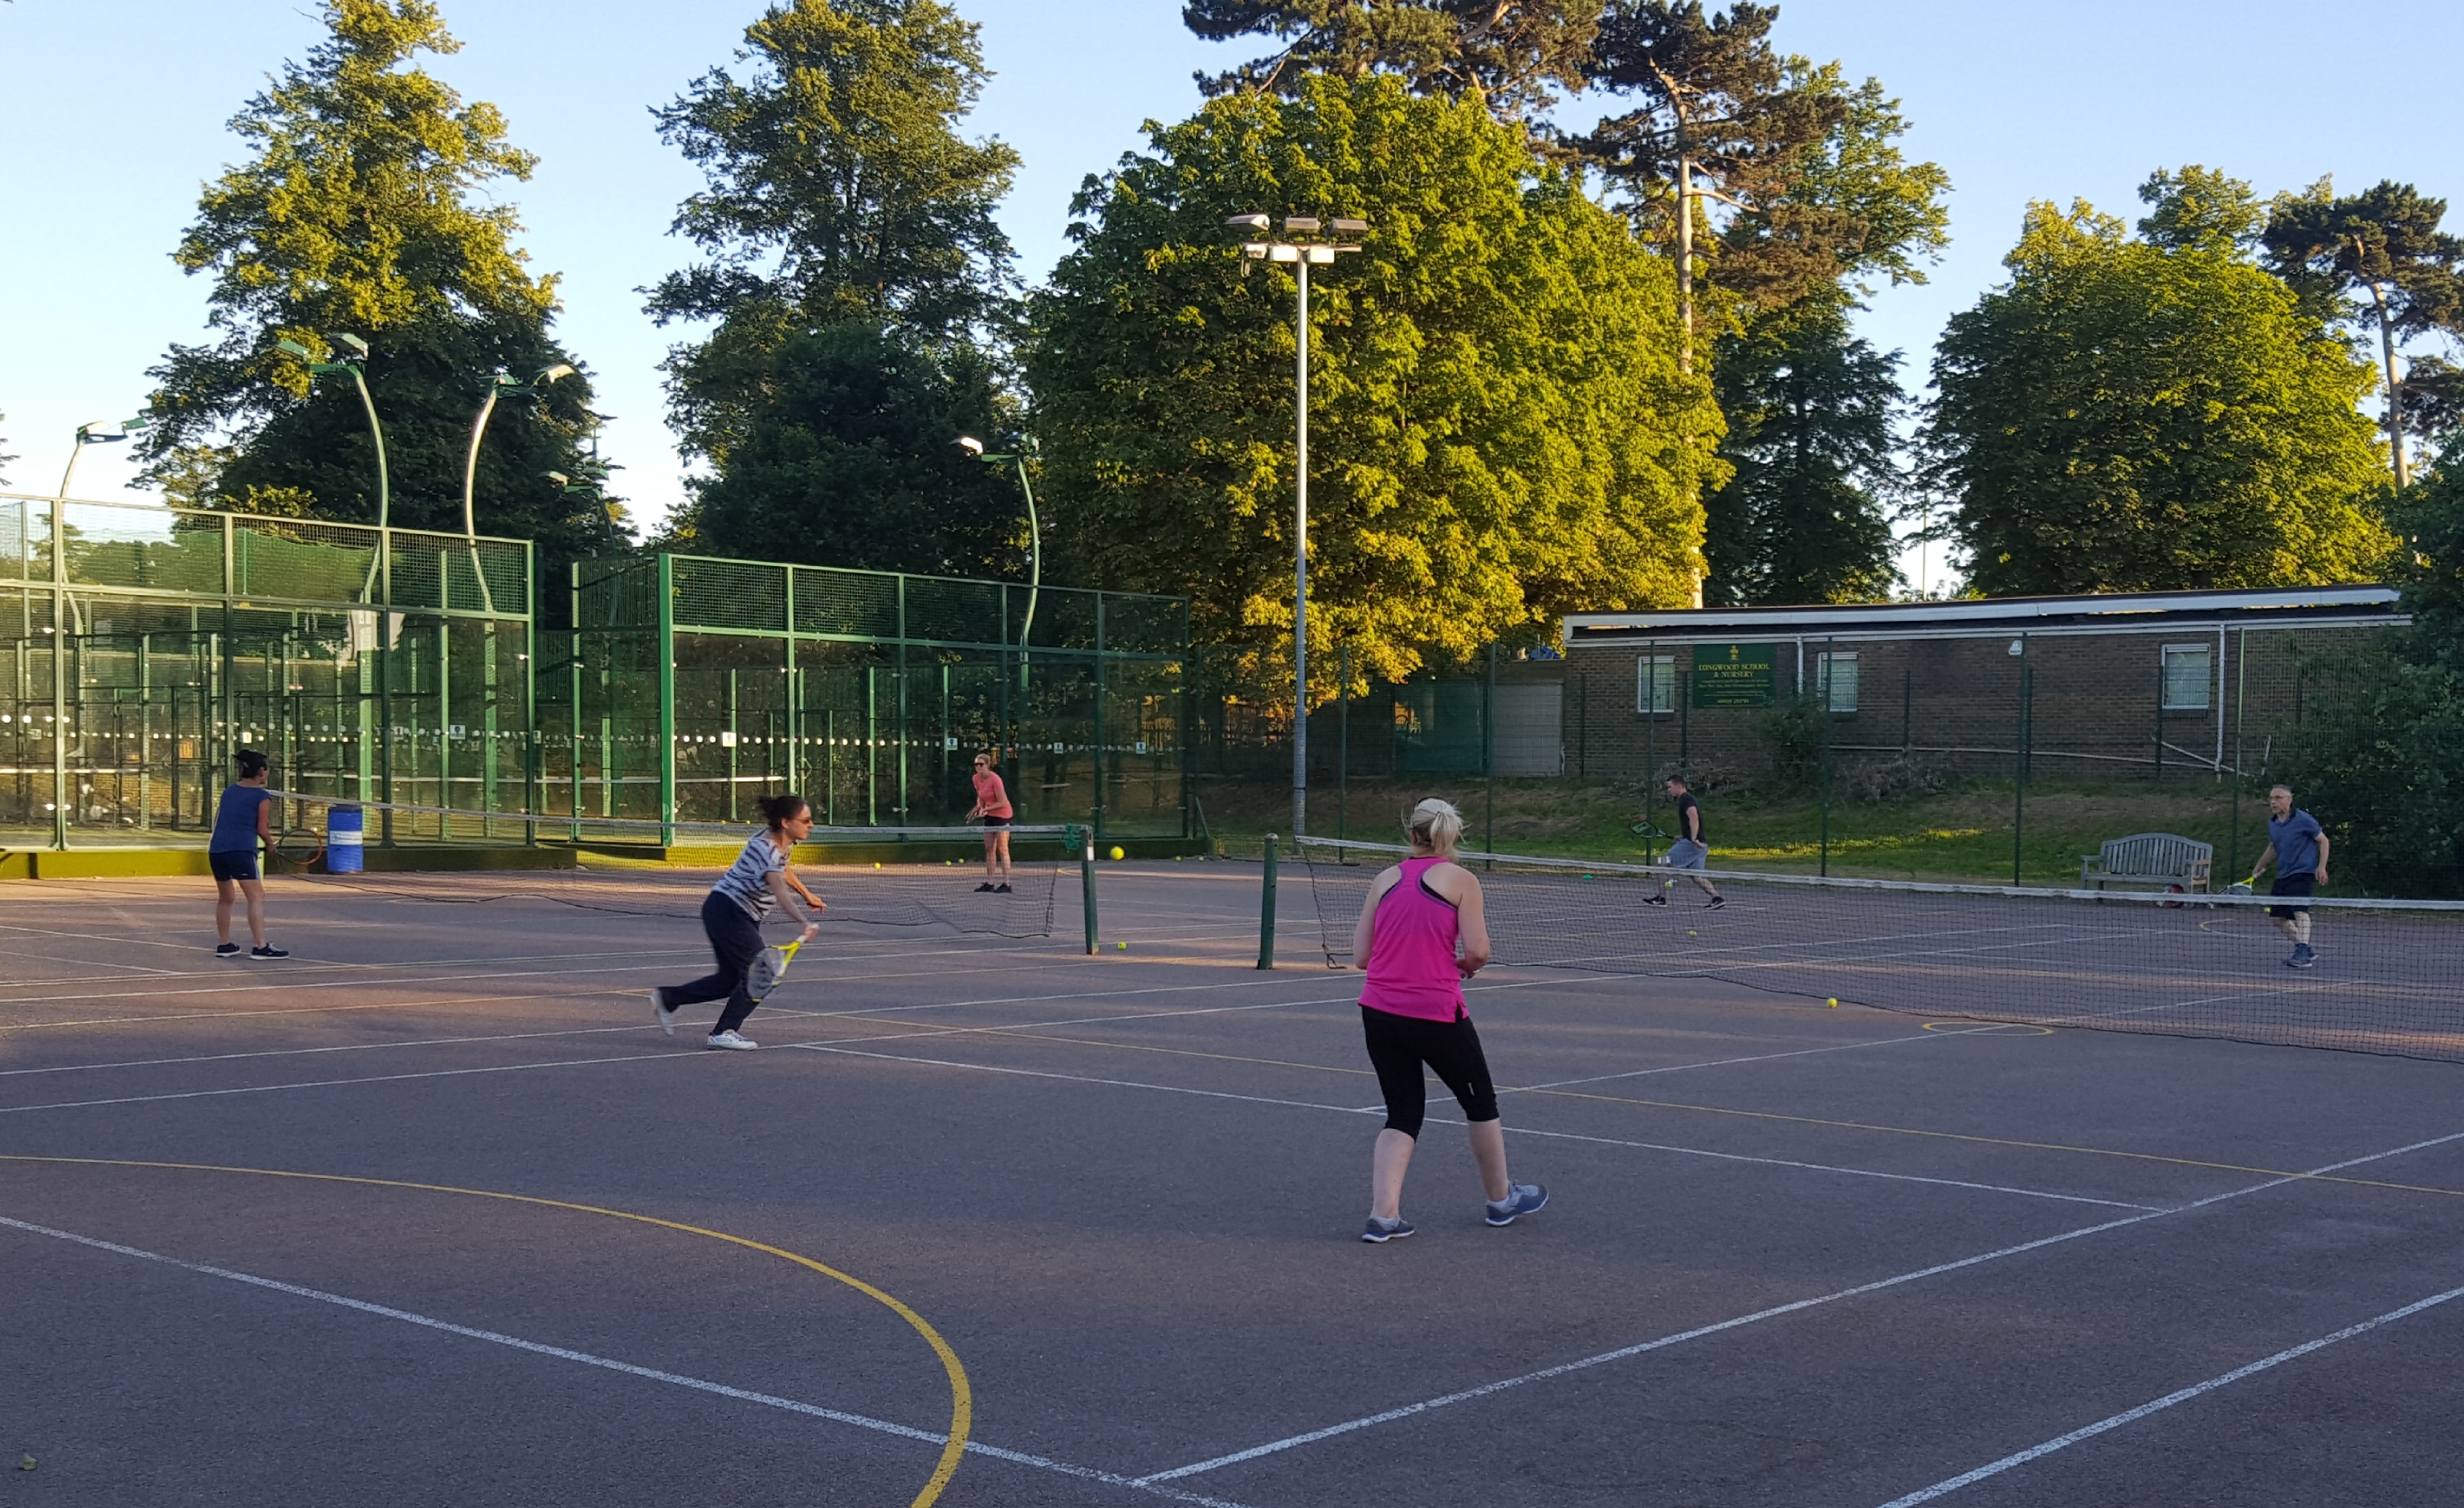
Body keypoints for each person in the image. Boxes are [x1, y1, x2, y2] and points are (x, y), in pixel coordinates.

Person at [1349, 797, 1547, 1243]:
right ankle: (1501, 1199)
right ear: (1453, 836)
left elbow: (1362, 956)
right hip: (1436, 1011)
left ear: (1411, 833)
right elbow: (1478, 950)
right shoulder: (1461, 880)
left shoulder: (1385, 879)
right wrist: (1466, 965)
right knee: (1480, 1104)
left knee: (1401, 1113)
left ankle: (1383, 1216)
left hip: (1380, 1012)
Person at [651, 793, 823, 1049]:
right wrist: (803, 922)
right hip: (730, 911)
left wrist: (807, 894)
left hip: (730, 911)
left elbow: (783, 869)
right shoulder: (767, 851)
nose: (811, 825)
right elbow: (779, 890)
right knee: (763, 974)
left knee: (730, 979)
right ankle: (723, 1032)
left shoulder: (778, 843)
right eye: (806, 820)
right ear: (786, 823)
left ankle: (669, 998)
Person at [210, 749, 288, 959]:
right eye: (267, 770)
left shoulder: (228, 791)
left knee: (226, 898)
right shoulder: (262, 796)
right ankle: (261, 947)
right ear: (261, 771)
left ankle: (224, 945)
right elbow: (262, 829)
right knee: (256, 897)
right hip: (241, 851)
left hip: (217, 851)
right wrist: (270, 844)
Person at [2247, 784, 2329, 970]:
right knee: (2277, 919)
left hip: (2303, 872)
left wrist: (2321, 867)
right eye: (2271, 798)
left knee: (2300, 911)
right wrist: (2260, 865)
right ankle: (2305, 948)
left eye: (2278, 798)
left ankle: (2302, 953)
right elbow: (2273, 847)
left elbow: (2323, 841)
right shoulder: (2273, 824)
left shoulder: (2304, 820)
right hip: (2283, 874)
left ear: (2289, 800)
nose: (2273, 802)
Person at [1648, 774, 1724, 908]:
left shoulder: (1686, 799)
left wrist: (1693, 838)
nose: (1668, 790)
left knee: (1663, 863)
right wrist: (1684, 836)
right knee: (1696, 876)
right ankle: (1717, 898)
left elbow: (1693, 817)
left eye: (1670, 787)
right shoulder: (1687, 799)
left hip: (1693, 844)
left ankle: (1661, 898)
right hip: (1701, 846)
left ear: (1678, 785)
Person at [965, 750, 1014, 893]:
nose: (978, 767)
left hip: (1002, 815)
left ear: (988, 765)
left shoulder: (996, 779)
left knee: (1003, 849)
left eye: (981, 764)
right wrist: (978, 807)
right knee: (989, 849)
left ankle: (1006, 884)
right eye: (976, 765)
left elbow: (1002, 801)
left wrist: (986, 809)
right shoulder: (976, 778)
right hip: (990, 815)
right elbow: (981, 797)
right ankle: (990, 882)